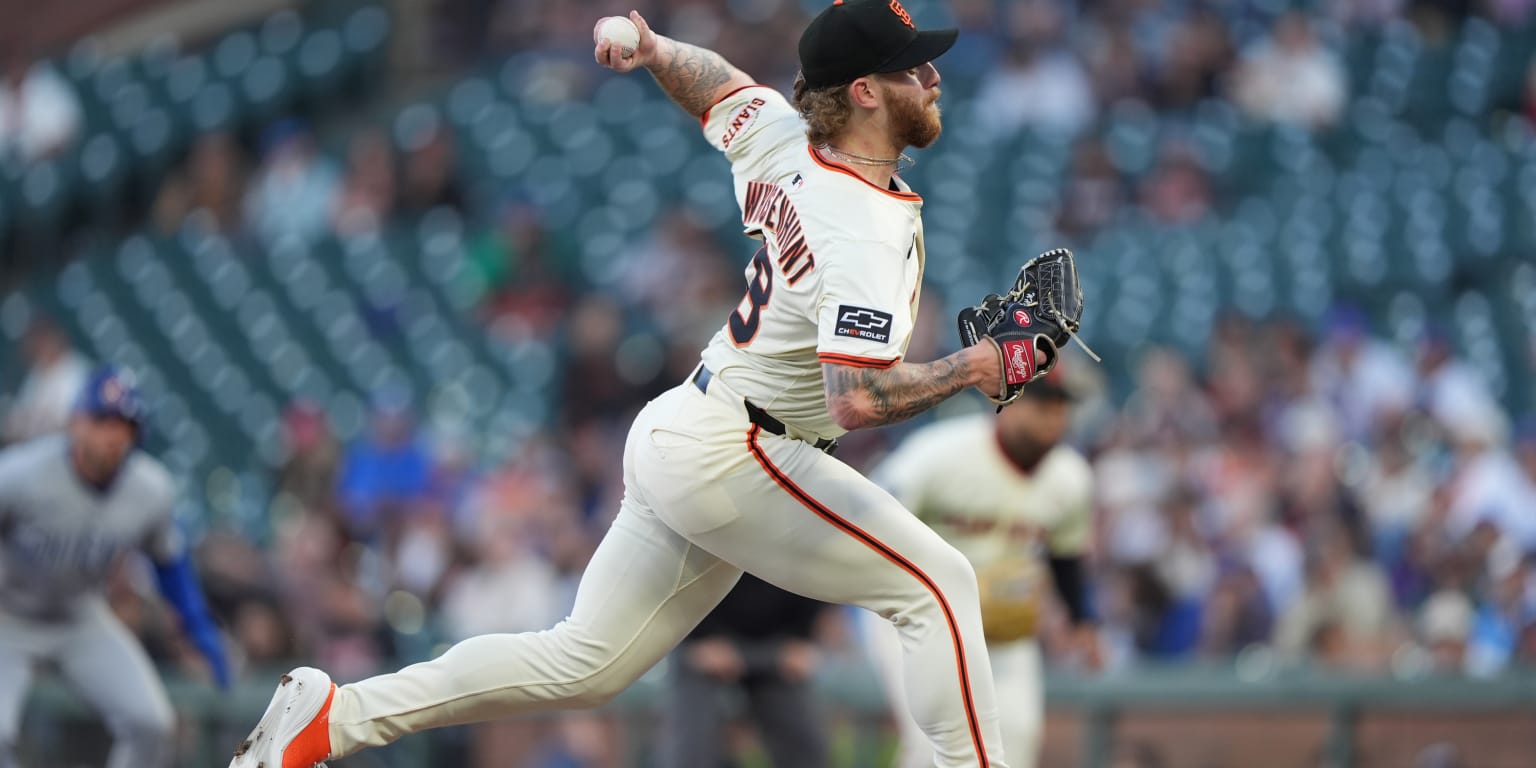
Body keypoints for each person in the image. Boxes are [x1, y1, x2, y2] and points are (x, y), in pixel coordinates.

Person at [230, 3, 1032, 766]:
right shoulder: (861, 224)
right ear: (864, 92)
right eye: (911, 68)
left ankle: (334, 718)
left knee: (583, 663)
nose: (933, 77)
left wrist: (653, 51)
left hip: (692, 425)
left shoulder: (786, 138)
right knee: (937, 583)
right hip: (743, 450)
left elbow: (716, 85)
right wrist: (979, 366)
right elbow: (853, 399)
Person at [864, 370, 1098, 768]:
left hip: (1003, 620)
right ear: (1007, 402)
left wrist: (1082, 620)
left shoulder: (1071, 477)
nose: (1053, 419)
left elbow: (1066, 555)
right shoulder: (939, 452)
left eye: (1061, 408)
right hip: (917, 610)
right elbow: (873, 518)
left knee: (1016, 738)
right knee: (932, 743)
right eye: (1042, 405)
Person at [0, 367, 230, 768]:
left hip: (80, 617)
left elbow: (170, 564)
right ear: (75, 421)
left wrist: (198, 626)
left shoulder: (149, 489)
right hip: (9, 618)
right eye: (101, 420)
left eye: (124, 425)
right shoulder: (20, 474)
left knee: (152, 724)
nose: (112, 435)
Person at [656, 574, 830, 768]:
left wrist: (802, 636)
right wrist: (700, 634)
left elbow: (817, 572)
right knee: (691, 743)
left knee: (804, 740)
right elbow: (676, 572)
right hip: (703, 638)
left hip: (780, 642)